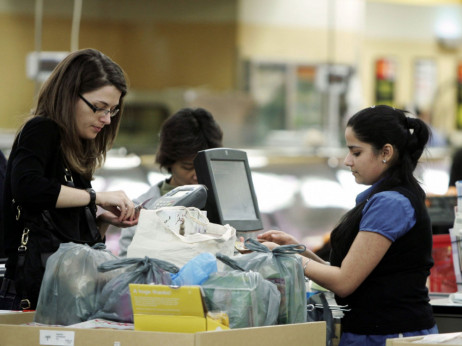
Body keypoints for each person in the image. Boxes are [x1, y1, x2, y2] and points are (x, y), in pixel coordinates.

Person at [258, 105, 438, 346]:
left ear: (386, 152)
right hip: (380, 332)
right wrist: (297, 249)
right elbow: (350, 276)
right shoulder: (386, 196)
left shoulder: (390, 203)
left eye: (356, 152)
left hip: (390, 336)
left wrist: (286, 256)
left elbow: (345, 282)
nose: (347, 161)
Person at [0, 48, 138, 310]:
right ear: (69, 96)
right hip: (34, 295)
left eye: (113, 110)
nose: (106, 119)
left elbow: (75, 248)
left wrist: (101, 220)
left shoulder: (76, 147)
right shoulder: (42, 129)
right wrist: (96, 197)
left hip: (64, 294)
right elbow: (28, 187)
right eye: (99, 108)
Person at [117, 107, 223, 257]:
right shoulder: (142, 209)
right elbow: (127, 265)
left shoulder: (226, 204)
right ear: (169, 162)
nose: (197, 175)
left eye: (205, 167)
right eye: (187, 167)